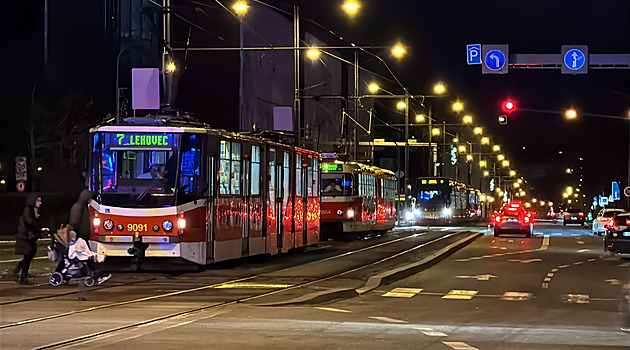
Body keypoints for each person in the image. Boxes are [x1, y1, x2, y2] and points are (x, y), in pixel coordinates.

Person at [14, 193, 49, 285]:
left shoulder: (34, 210)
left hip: (30, 237)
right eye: (38, 201)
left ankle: (18, 271)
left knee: (29, 255)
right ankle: (22, 276)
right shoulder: (28, 210)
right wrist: (40, 229)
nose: (40, 203)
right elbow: (30, 222)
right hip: (26, 237)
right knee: (28, 256)